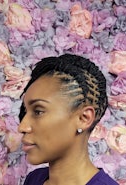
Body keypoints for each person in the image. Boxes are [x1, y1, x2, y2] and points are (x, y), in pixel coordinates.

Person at [18, 54, 118, 185]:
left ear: (84, 118)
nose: (22, 127)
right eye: (26, 111)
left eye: (38, 111)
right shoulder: (34, 179)